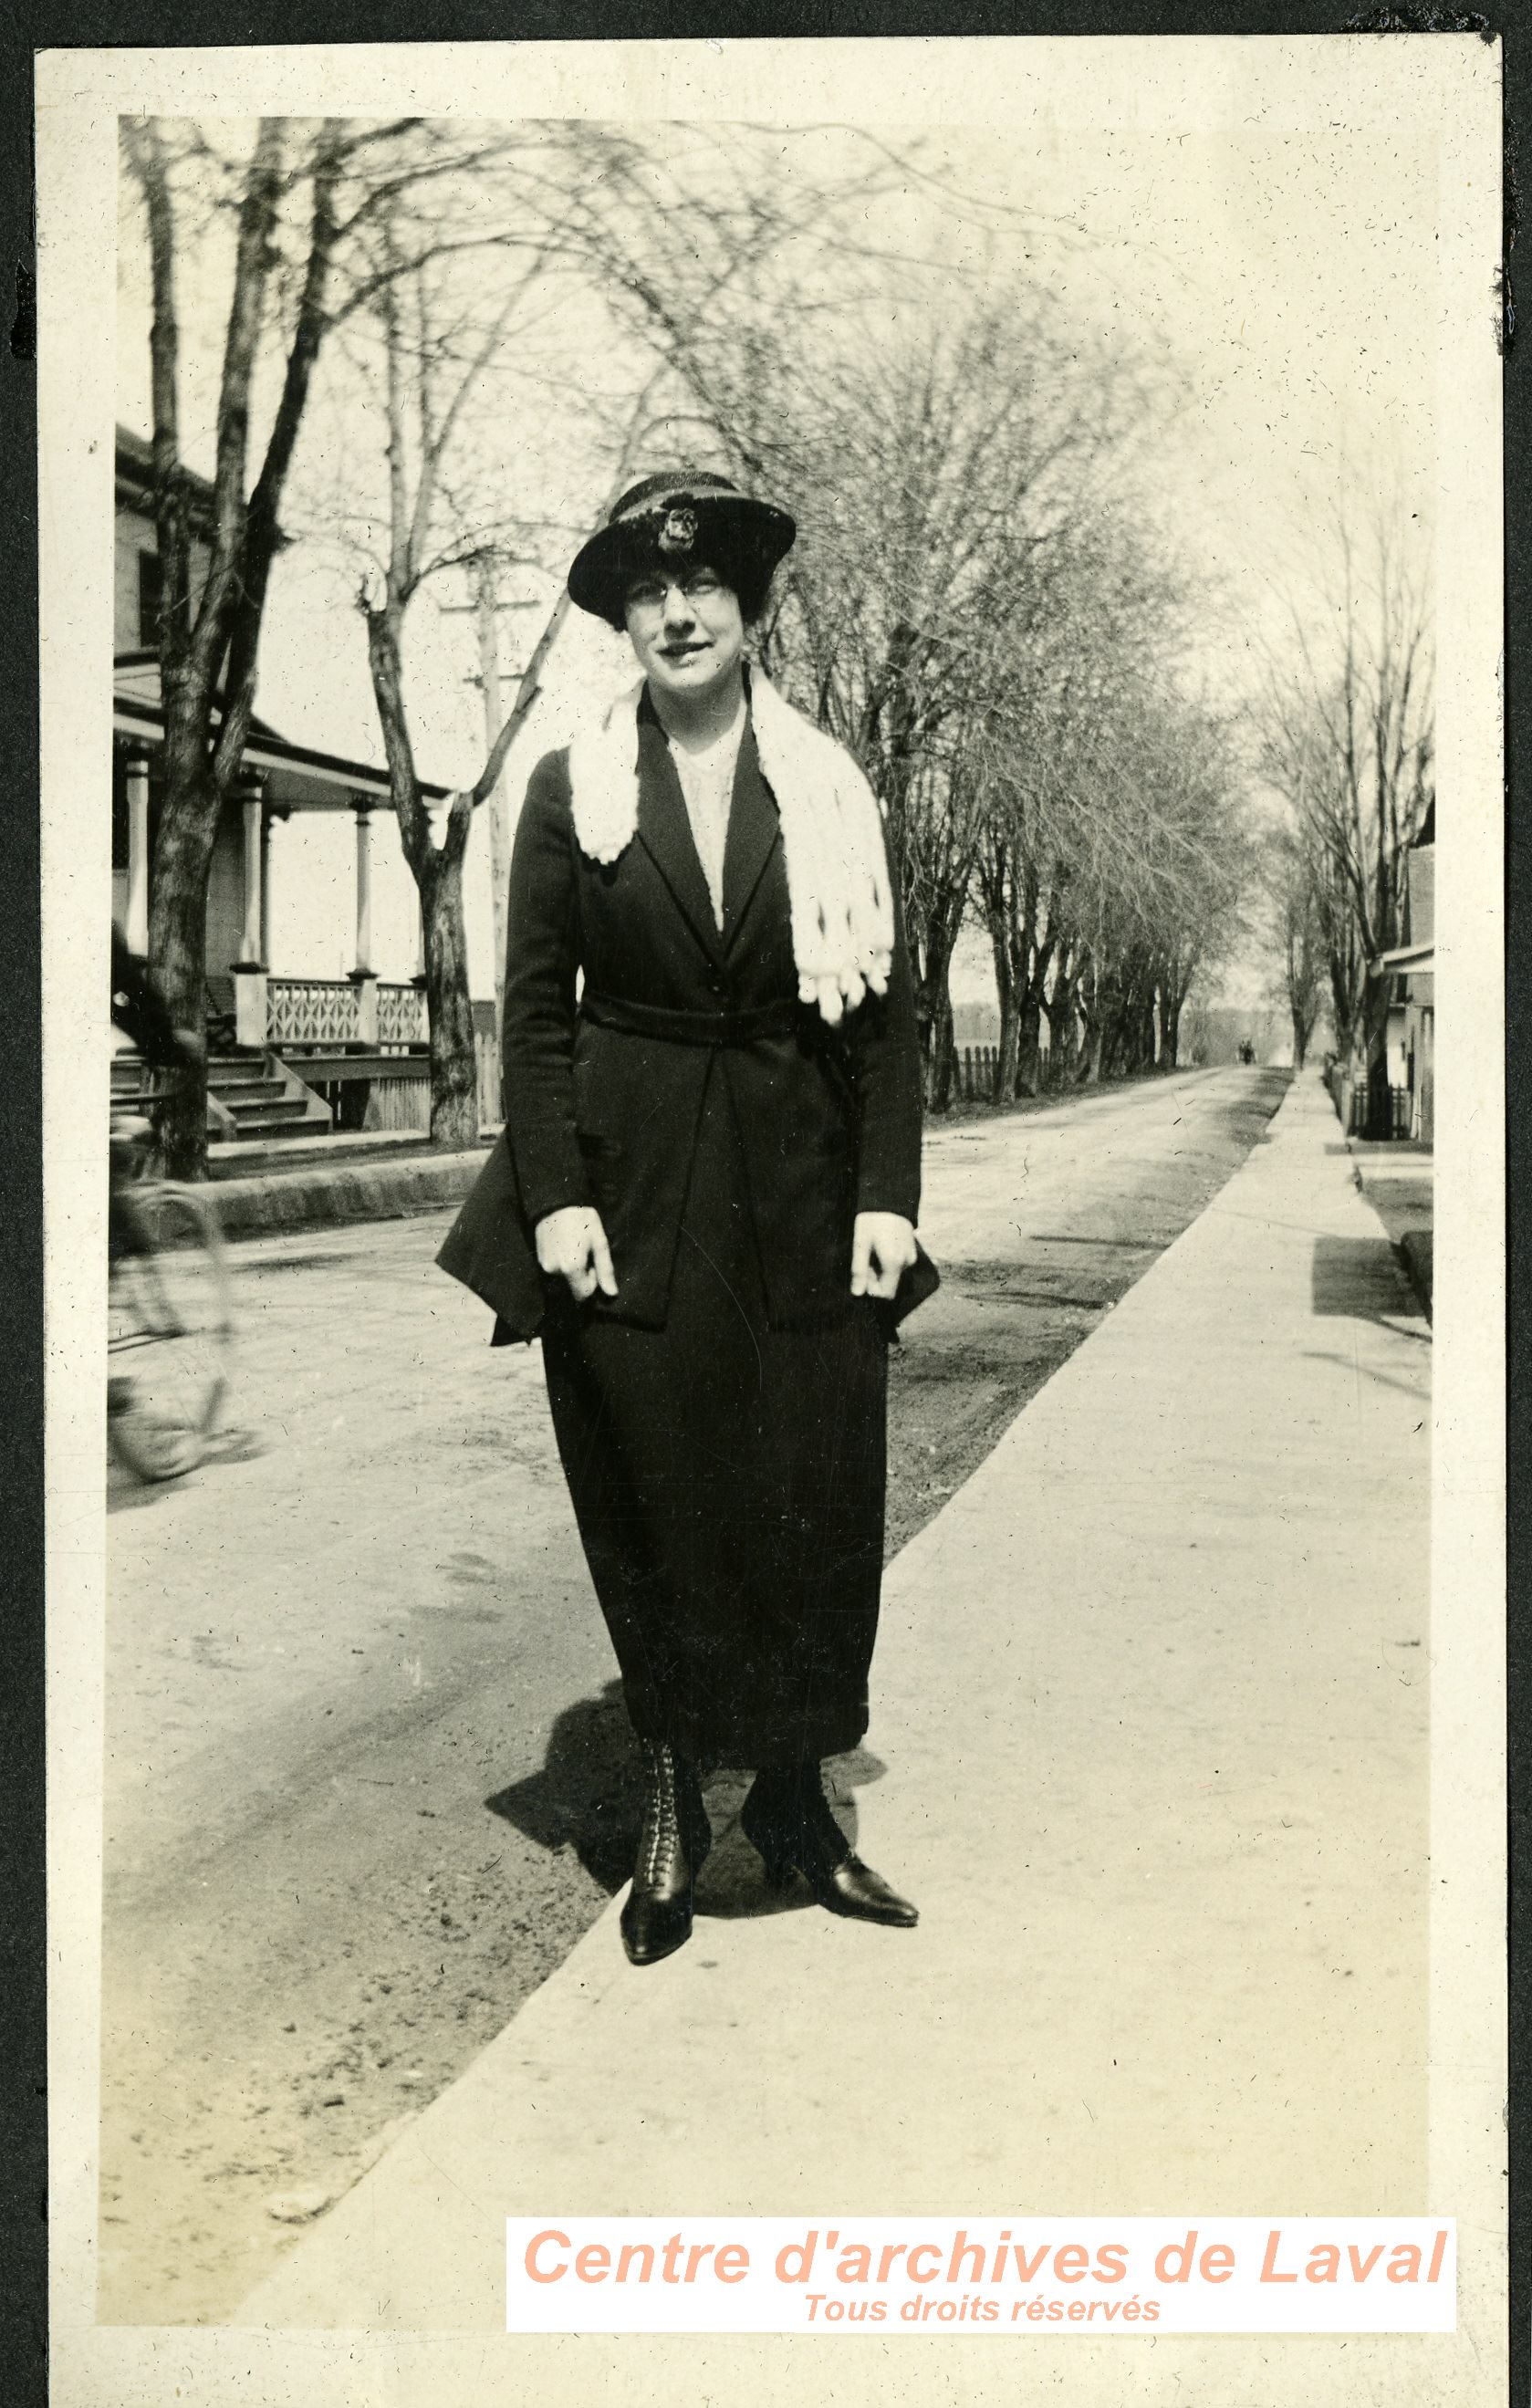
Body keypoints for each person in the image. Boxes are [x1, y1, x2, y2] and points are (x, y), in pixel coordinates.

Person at [438, 470, 935, 1966]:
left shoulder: (830, 791)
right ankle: (668, 1802)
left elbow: (888, 1028)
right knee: (655, 1501)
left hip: (798, 1186)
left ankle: (792, 1803)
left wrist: (886, 1202)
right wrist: (559, 1197)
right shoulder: (568, 785)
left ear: (745, 607)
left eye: (702, 588)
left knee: (812, 1498)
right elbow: (531, 1023)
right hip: (630, 1193)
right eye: (649, 596)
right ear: (622, 622)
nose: (676, 611)